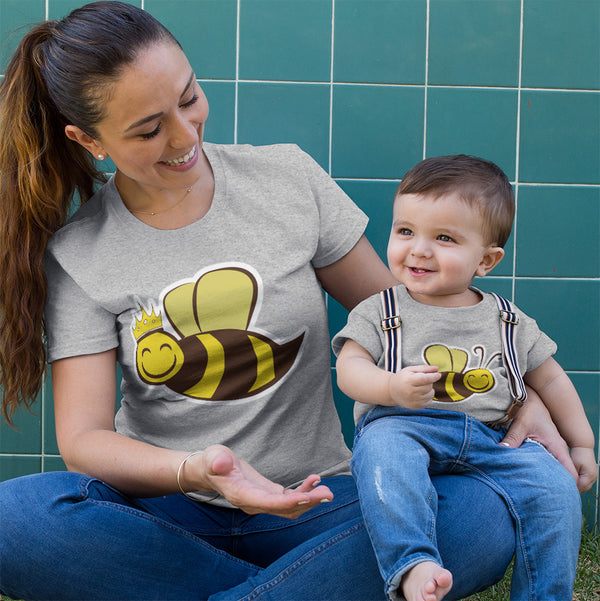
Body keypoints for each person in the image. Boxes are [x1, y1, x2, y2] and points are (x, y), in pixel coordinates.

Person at [0, 3, 578, 599]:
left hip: (320, 503)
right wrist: (197, 471)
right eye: (148, 129)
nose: (185, 134)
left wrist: (519, 397)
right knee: (13, 519)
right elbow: (84, 441)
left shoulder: (287, 179)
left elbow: (405, 324)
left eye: (189, 97)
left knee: (479, 513)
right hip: (171, 515)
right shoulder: (80, 253)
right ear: (88, 139)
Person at [333, 154, 598, 601]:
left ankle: (546, 594)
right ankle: (413, 563)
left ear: (487, 259)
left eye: (444, 238)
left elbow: (551, 381)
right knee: (382, 453)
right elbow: (349, 368)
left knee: (555, 490)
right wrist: (391, 388)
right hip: (405, 425)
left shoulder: (508, 319)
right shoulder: (382, 309)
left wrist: (581, 444)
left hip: (494, 439)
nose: (418, 249)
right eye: (405, 231)